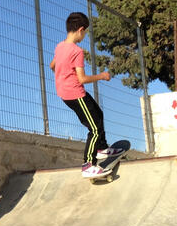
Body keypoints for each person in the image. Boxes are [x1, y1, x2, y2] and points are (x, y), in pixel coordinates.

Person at [49, 12, 124, 177]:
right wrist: (102, 76)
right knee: (95, 128)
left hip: (65, 93)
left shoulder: (60, 46)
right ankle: (88, 164)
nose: (84, 36)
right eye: (85, 33)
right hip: (75, 93)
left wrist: (61, 75)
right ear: (81, 30)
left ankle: (102, 148)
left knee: (98, 113)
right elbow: (82, 79)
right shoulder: (77, 51)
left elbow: (52, 65)